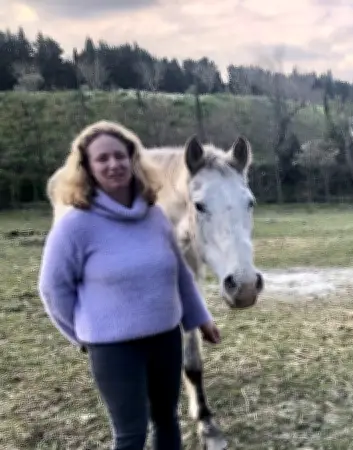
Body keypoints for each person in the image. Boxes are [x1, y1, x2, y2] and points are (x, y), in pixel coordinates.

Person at [38, 120, 222, 450]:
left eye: (120, 156)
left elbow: (179, 273)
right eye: (102, 158)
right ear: (87, 168)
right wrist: (83, 335)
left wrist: (200, 318)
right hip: (114, 349)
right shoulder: (75, 226)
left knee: (167, 422)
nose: (113, 165)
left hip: (165, 339)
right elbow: (54, 289)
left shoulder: (153, 216)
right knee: (131, 435)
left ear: (133, 160)